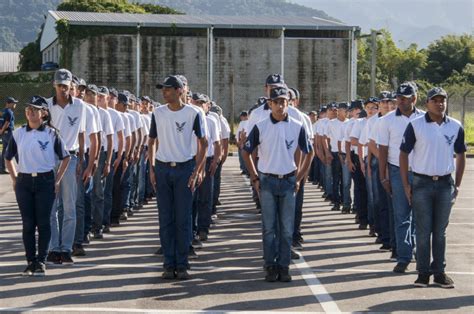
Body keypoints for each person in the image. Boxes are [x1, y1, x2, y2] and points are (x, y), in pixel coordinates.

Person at [242, 86, 313, 283]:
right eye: (277, 102)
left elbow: (309, 152)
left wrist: (299, 177)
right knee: (269, 227)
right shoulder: (261, 126)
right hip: (267, 181)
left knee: (287, 227)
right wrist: (254, 177)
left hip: (289, 180)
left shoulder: (297, 125)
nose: (280, 105)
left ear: (289, 103)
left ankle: (284, 266)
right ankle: (270, 265)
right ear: (270, 104)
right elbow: (246, 152)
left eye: (284, 101)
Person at [400, 87, 466, 288]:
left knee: (440, 232)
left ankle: (439, 272)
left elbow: (461, 155)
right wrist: (405, 184)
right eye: (435, 100)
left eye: (442, 100)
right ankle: (423, 273)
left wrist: (458, 185)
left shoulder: (455, 126)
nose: (440, 104)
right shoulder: (415, 125)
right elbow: (403, 154)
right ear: (426, 103)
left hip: (445, 183)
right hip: (421, 183)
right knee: (422, 231)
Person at [148, 76, 208, 280]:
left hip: (184, 169)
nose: (164, 93)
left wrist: (198, 169)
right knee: (165, 219)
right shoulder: (158, 113)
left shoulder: (194, 113)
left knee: (183, 219)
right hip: (163, 168)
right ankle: (168, 263)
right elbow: (151, 141)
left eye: (168, 89)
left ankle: (182, 264)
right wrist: (152, 168)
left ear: (180, 90)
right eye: (163, 89)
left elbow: (204, 143)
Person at [5, 96, 70, 276]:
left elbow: (66, 157)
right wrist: (15, 178)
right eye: (28, 109)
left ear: (44, 113)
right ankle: (30, 261)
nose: (30, 112)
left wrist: (57, 180)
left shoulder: (51, 133)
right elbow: (8, 158)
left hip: (45, 181)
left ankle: (41, 261)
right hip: (24, 182)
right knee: (28, 224)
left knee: (43, 223)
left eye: (35, 109)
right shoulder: (18, 133)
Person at [46, 69, 95, 265]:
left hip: (71, 158)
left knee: (69, 207)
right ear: (54, 85)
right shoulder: (47, 105)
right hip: (49, 159)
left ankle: (66, 248)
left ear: (70, 86)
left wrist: (82, 161)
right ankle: (53, 248)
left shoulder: (80, 106)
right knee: (51, 207)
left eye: (66, 86)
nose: (63, 89)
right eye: (60, 85)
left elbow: (83, 134)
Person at [378, 82, 424, 273]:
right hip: (397, 171)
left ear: (414, 98)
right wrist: (383, 176)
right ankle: (404, 256)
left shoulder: (424, 118)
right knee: (402, 215)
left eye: (404, 98)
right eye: (399, 98)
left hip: (422, 172)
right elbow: (383, 150)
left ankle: (418, 253)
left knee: (420, 217)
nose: (400, 101)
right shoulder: (387, 121)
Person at [0, 97, 18, 174]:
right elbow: (7, 124)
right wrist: (1, 131)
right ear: (9, 103)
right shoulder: (9, 112)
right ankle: (23, 167)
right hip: (8, 133)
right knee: (16, 149)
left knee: (4, 150)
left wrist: (1, 132)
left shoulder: (2, 111)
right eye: (13, 103)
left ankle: (1, 168)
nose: (15, 104)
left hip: (4, 134)